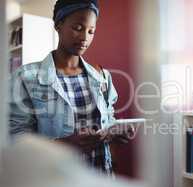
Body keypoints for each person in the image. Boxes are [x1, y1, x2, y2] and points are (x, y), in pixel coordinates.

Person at [9, 0, 128, 176]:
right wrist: (67, 143)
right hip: (54, 181)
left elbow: (107, 120)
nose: (84, 38)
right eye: (78, 28)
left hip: (100, 176)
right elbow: (16, 140)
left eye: (91, 31)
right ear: (58, 25)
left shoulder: (102, 76)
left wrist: (115, 132)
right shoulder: (25, 77)